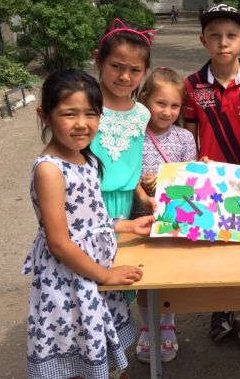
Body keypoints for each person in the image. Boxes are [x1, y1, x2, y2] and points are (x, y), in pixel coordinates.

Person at [22, 69, 154, 379]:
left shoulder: (87, 158)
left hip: (92, 273)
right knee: (80, 352)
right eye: (69, 114)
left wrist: (127, 226)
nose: (82, 123)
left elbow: (88, 218)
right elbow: (59, 242)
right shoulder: (50, 170)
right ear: (44, 116)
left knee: (101, 347)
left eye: (91, 114)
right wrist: (104, 276)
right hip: (70, 281)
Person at [184, 3, 240, 349]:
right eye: (214, 36)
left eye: (231, 35)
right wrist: (193, 164)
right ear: (203, 40)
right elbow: (188, 134)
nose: (223, 42)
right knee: (217, 247)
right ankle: (222, 307)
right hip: (212, 180)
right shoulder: (191, 85)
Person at [132, 66, 197, 364]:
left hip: (174, 221)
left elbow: (189, 180)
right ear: (145, 99)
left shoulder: (185, 138)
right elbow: (125, 174)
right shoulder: (134, 136)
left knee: (169, 277)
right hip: (140, 221)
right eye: (160, 103)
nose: (167, 111)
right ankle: (148, 326)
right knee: (145, 279)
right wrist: (142, 187)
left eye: (174, 105)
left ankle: (168, 323)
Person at [91, 18, 155, 222]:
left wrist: (144, 199)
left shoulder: (141, 115)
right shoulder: (85, 108)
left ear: (144, 71)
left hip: (124, 205)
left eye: (135, 70)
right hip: (85, 200)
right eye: (116, 66)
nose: (125, 77)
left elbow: (130, 168)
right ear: (98, 59)